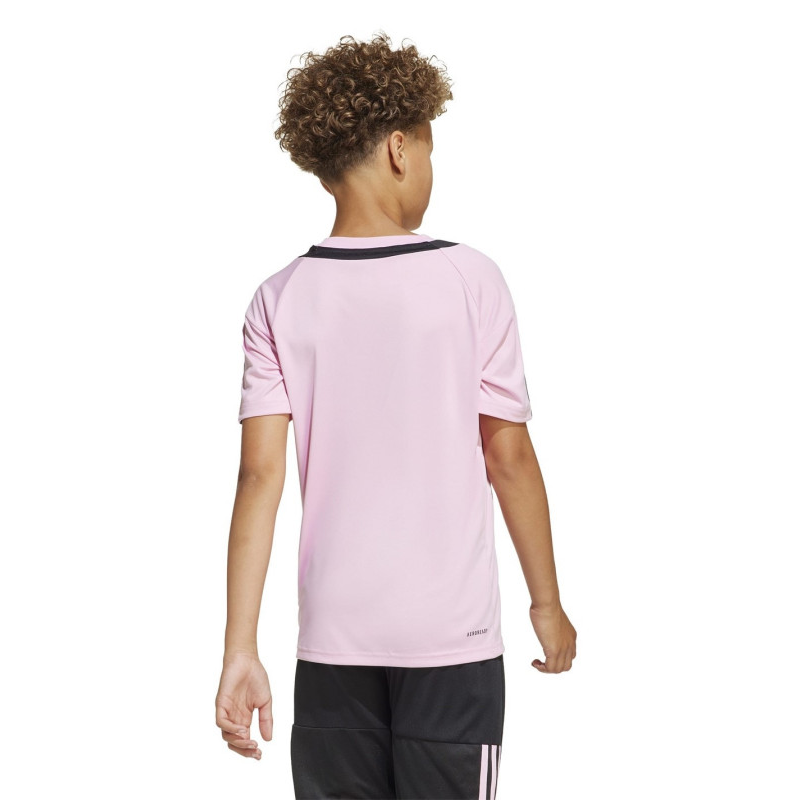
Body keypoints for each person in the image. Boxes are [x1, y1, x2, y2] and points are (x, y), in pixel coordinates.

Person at [215, 31, 577, 800]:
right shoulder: (470, 278)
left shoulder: (278, 298)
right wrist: (545, 603)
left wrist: (240, 648)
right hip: (452, 644)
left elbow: (259, 477)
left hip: (331, 647)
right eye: (431, 151)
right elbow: (508, 457)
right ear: (401, 149)